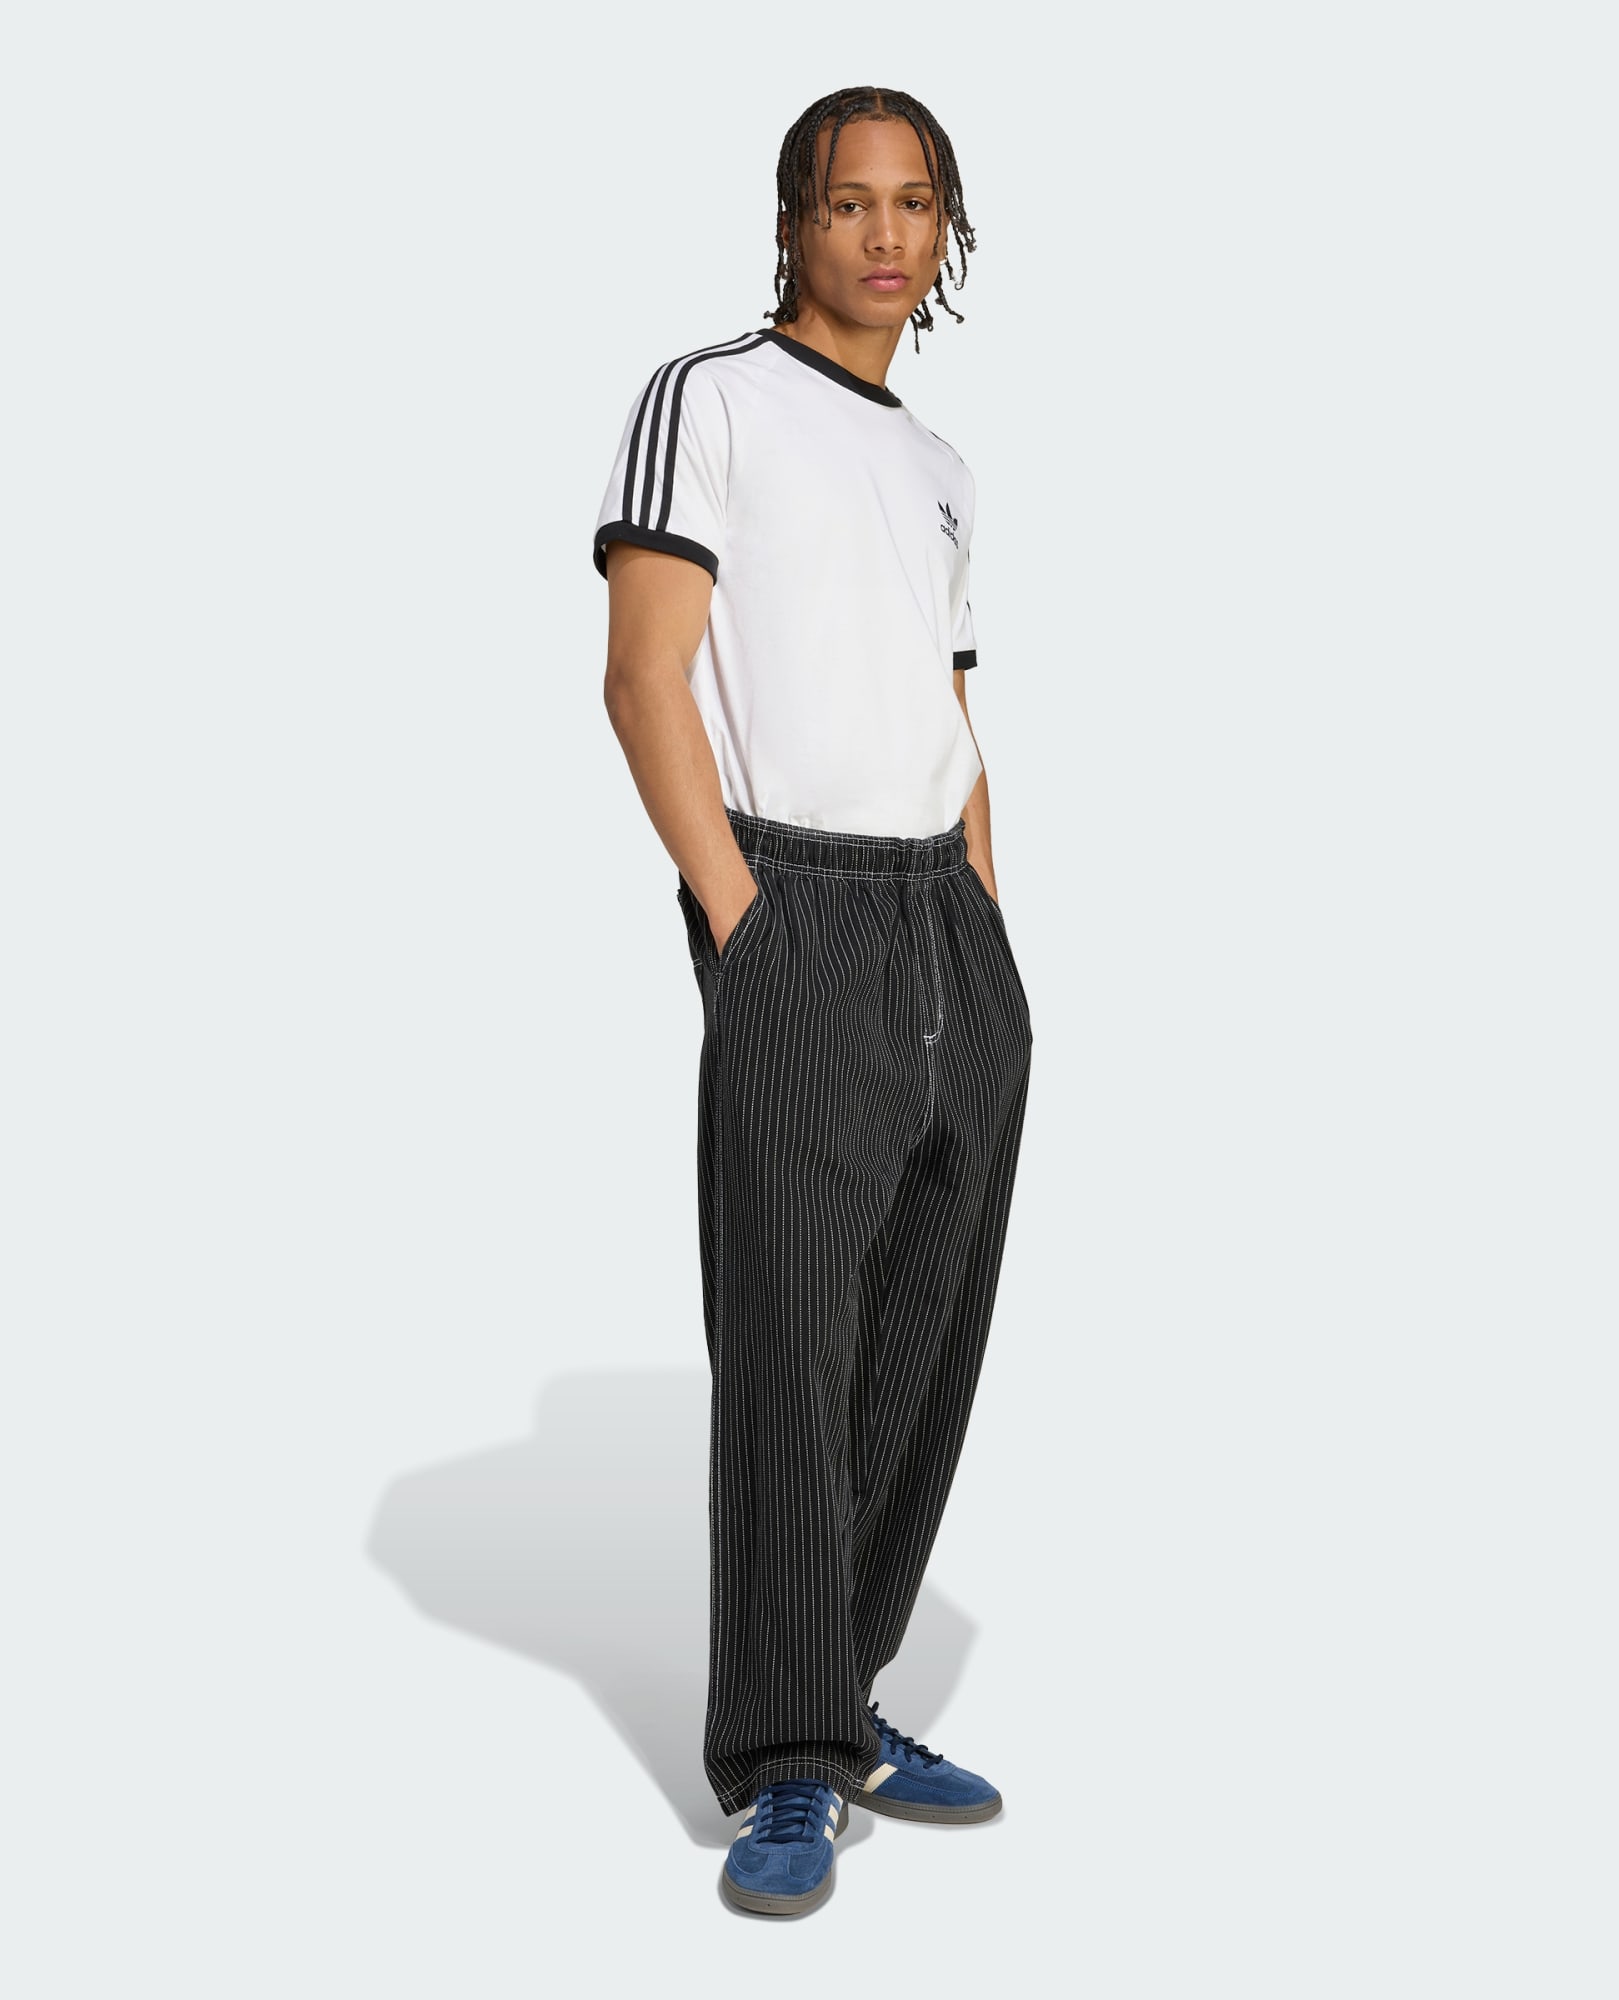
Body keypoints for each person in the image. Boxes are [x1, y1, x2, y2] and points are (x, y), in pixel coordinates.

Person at [593, 85, 1033, 1918]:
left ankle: (840, 1704)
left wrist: (988, 929)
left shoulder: (941, 466)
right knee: (789, 1347)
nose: (883, 234)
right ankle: (782, 1755)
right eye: (849, 202)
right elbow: (644, 677)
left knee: (920, 1345)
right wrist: (743, 921)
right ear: (791, 221)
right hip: (797, 906)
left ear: (947, 233)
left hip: (946, 928)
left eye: (914, 203)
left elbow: (949, 706)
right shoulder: (708, 400)